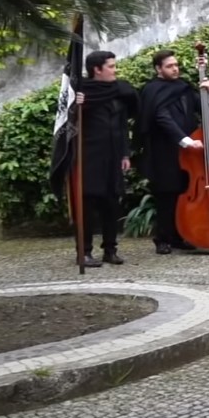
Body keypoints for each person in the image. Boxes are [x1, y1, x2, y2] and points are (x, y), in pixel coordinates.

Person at [136, 50, 209, 254]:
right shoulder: (152, 90)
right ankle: (162, 239)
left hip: (190, 151)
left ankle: (179, 236)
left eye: (176, 65)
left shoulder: (182, 87)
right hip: (165, 150)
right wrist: (186, 141)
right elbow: (162, 118)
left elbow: (202, 107)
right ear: (158, 69)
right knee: (167, 195)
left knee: (184, 191)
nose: (175, 69)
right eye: (169, 66)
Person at [72, 51, 138, 266]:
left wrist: (125, 153)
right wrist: (76, 105)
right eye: (111, 66)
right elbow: (67, 124)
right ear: (97, 70)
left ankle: (110, 249)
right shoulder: (81, 92)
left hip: (113, 156)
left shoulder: (119, 91)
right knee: (87, 205)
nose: (115, 70)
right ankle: (84, 252)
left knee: (112, 203)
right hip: (89, 157)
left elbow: (122, 125)